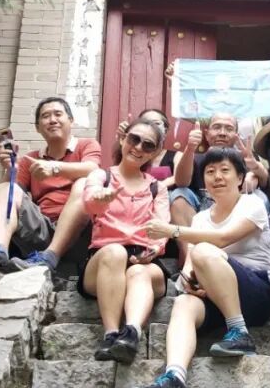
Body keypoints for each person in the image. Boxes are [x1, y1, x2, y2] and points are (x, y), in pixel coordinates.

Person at [140, 148, 270, 388]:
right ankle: (174, 376)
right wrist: (191, 284)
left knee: (205, 249)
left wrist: (172, 230)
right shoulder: (200, 218)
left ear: (240, 177)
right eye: (210, 171)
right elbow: (188, 267)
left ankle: (240, 332)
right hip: (215, 297)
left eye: (225, 170)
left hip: (256, 294)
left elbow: (223, 238)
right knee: (184, 302)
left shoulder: (252, 204)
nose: (217, 177)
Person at [0, 97, 101, 272]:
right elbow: (10, 196)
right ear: (37, 128)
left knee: (84, 183)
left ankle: (51, 256)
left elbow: (92, 168)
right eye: (45, 116)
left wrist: (54, 168)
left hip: (80, 233)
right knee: (5, 187)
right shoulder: (30, 160)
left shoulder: (87, 145)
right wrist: (10, 170)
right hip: (42, 231)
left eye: (58, 114)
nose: (52, 120)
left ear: (71, 120)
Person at [80, 119, 171, 363]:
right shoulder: (102, 176)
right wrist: (101, 198)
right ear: (123, 139)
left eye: (148, 145)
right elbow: (89, 202)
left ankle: (131, 334)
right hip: (104, 259)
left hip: (143, 260)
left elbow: (162, 228)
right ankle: (111, 335)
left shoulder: (157, 188)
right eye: (134, 139)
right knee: (115, 253)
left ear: (155, 152)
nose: (138, 147)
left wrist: (153, 250)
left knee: (138, 272)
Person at [169, 112, 270, 259]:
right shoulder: (194, 156)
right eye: (217, 127)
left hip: (235, 213)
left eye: (228, 128)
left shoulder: (245, 157)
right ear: (207, 134)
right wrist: (190, 148)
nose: (222, 133)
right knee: (179, 195)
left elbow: (266, 180)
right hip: (202, 210)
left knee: (260, 196)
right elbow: (181, 182)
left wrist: (254, 171)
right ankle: (188, 258)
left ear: (236, 135)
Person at [117, 108, 182, 182]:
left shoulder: (177, 156)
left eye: (156, 123)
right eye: (146, 123)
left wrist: (156, 186)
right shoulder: (132, 153)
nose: (151, 127)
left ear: (165, 130)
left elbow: (180, 179)